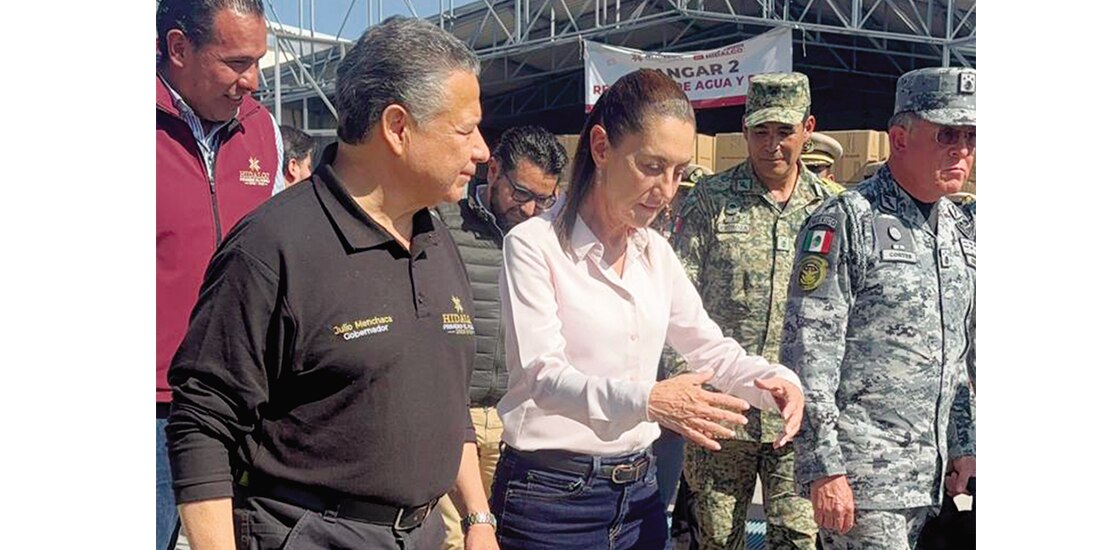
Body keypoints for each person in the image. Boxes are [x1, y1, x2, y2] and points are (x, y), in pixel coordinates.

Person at [166, 17, 499, 550]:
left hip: (424, 533)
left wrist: (478, 518)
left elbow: (442, 399)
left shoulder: (435, 240)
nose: (482, 150)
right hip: (310, 534)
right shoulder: (273, 247)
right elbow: (203, 423)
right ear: (397, 127)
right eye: (465, 130)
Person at [490, 68, 806, 550]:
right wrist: (648, 400)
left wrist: (776, 382)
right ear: (601, 147)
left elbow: (710, 348)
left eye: (678, 172)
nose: (666, 189)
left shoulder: (655, 253)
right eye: (652, 166)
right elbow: (541, 374)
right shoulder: (533, 246)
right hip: (552, 499)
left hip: (639, 496)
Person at [780, 66, 977, 550]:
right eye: (947, 134)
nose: (962, 150)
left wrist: (965, 446)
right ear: (900, 138)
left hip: (934, 485)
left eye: (971, 136)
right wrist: (824, 468)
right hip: (865, 485)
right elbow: (808, 356)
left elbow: (961, 354)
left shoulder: (962, 231)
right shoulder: (846, 220)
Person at [672, 72, 830, 550]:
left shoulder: (834, 211)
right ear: (744, 131)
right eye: (760, 132)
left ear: (807, 128)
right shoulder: (710, 201)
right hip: (724, 412)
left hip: (796, 413)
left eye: (784, 131)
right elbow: (675, 296)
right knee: (717, 538)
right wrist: (686, 392)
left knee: (798, 538)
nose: (772, 145)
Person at [156, 1, 284, 547]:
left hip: (239, 405)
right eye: (236, 62)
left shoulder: (263, 130)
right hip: (151, 407)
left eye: (257, 60)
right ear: (179, 48)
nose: (252, 81)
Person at [433, 125, 568, 550]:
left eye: (544, 199)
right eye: (521, 193)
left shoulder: (552, 236)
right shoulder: (443, 222)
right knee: (456, 539)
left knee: (515, 534)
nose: (531, 210)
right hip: (456, 417)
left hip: (521, 418)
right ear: (493, 171)